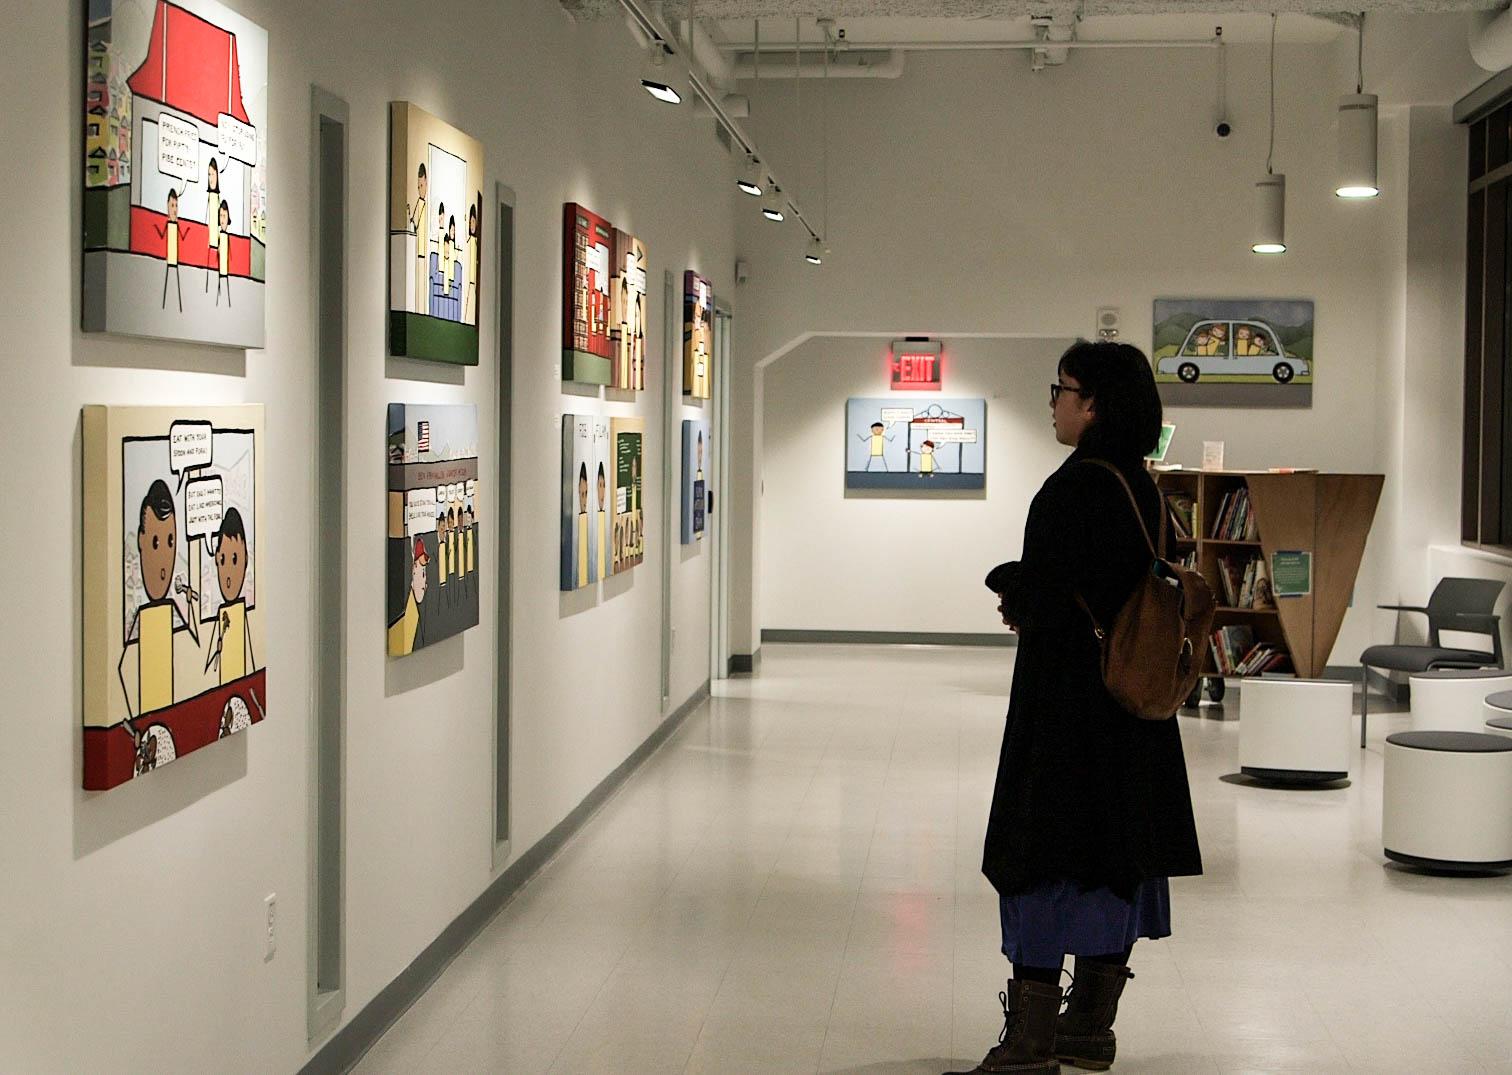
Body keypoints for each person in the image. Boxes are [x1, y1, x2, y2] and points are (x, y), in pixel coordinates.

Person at [951, 340, 1203, 1075]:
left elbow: (1051, 595)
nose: (1054, 402)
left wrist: (1015, 590)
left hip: (1066, 713)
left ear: (1092, 403)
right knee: (1113, 854)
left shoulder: (1070, 490)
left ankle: (1030, 1039)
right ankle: (1090, 1023)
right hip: (1131, 710)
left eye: (1060, 389)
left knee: (1043, 855)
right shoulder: (1142, 487)